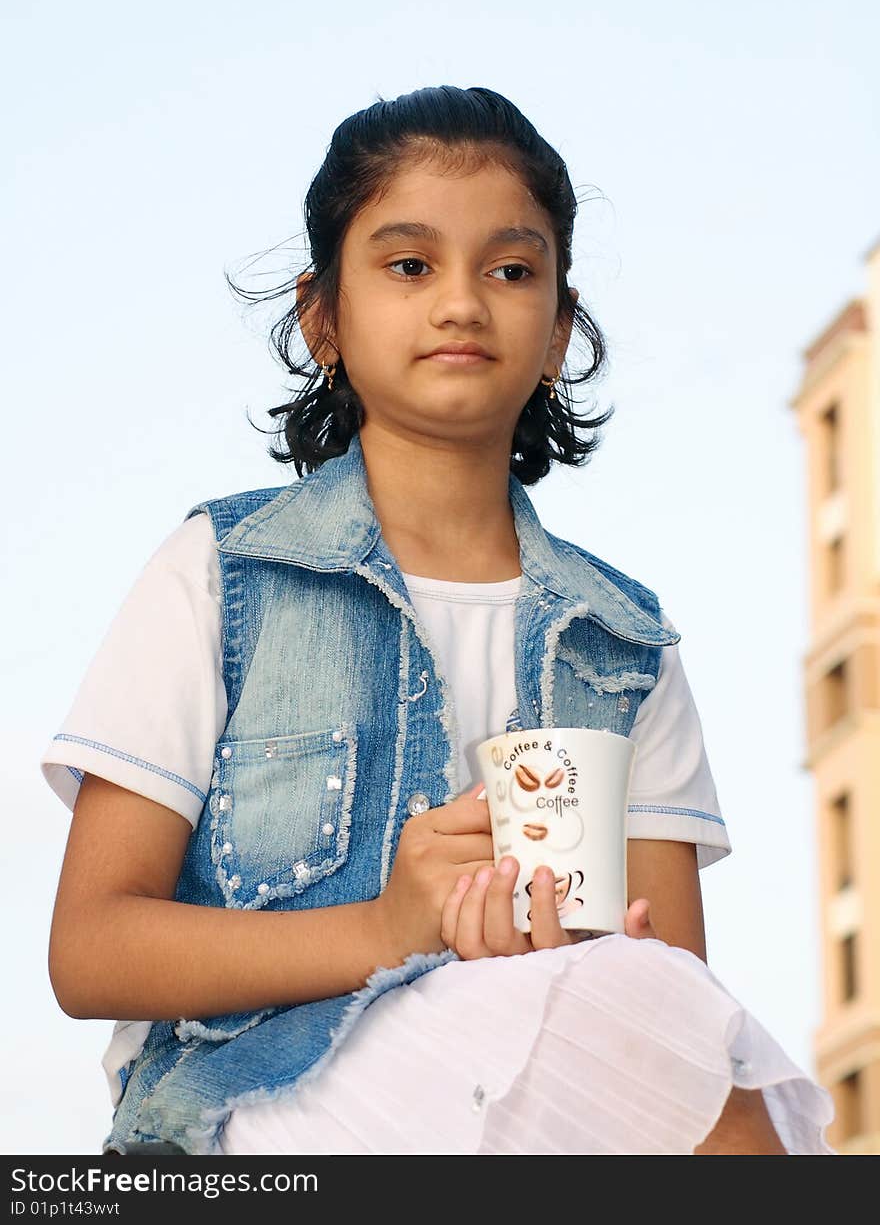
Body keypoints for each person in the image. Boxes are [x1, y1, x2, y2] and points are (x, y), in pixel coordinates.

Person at [43, 85, 835, 1156]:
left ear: (558, 331)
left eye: (510, 270)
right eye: (409, 265)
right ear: (321, 315)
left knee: (681, 1045)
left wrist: (564, 945)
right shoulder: (223, 575)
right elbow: (90, 951)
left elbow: (672, 991)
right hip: (263, 1101)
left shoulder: (623, 640)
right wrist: (386, 932)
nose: (461, 303)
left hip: (536, 1078)